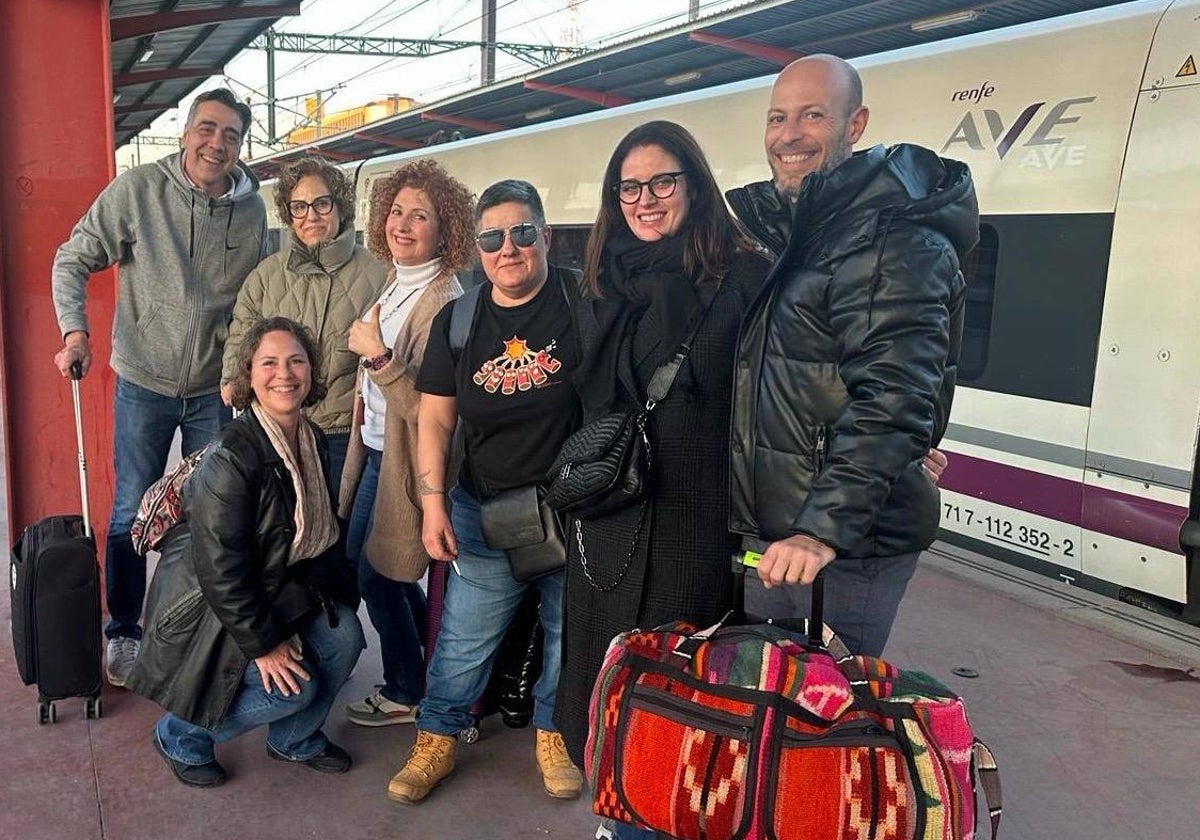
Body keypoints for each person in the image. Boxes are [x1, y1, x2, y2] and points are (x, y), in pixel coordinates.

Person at [549, 121, 772, 840]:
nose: (646, 200)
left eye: (663, 182)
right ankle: (618, 818)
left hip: (693, 522)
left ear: (694, 185)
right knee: (605, 681)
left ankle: (653, 818)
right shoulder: (602, 279)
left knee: (675, 693)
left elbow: (789, 386)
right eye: (630, 186)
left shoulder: (742, 278)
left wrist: (903, 441)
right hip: (607, 521)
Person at [725, 54, 976, 658]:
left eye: (813, 116)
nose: (789, 135)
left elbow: (894, 396)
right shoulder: (804, 232)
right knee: (769, 705)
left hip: (842, 547)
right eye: (777, 117)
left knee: (825, 714)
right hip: (778, 533)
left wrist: (820, 530)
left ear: (856, 124)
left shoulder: (891, 238)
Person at [50, 88, 269, 688]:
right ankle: (123, 629)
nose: (216, 143)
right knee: (129, 510)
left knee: (211, 511)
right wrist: (76, 332)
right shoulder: (138, 192)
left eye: (229, 135)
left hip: (215, 391)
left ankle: (195, 623)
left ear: (240, 145)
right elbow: (73, 258)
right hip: (143, 381)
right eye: (206, 129)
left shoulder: (252, 213)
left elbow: (256, 298)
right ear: (185, 132)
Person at [387, 179, 584, 804]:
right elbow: (436, 418)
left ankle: (555, 734)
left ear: (546, 237)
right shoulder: (462, 319)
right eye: (493, 237)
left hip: (572, 509)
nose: (509, 248)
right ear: (479, 249)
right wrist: (434, 504)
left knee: (566, 630)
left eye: (523, 233)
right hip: (483, 510)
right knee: (464, 635)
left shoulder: (585, 301)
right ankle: (437, 737)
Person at [126, 317, 364, 788]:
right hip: (211, 608)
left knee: (346, 637)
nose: (285, 374)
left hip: (279, 585)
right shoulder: (232, 456)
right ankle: (179, 735)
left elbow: (315, 535)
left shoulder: (310, 438)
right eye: (269, 362)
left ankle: (293, 740)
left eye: (297, 361)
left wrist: (337, 600)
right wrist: (266, 645)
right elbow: (223, 571)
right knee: (294, 690)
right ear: (249, 375)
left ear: (312, 371)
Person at [337, 160, 475, 727]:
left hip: (407, 462)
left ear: (446, 230)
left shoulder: (443, 298)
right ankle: (426, 661)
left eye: (421, 216)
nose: (403, 224)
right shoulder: (398, 278)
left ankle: (404, 688)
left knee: (379, 572)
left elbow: (430, 409)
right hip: (373, 449)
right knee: (373, 568)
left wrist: (377, 358)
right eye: (397, 211)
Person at [222, 156, 389, 493]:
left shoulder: (377, 275)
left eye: (322, 204)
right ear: (289, 214)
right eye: (299, 206)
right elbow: (242, 333)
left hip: (342, 434)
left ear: (340, 206)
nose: (310, 216)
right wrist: (231, 377)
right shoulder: (267, 276)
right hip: (276, 430)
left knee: (336, 533)